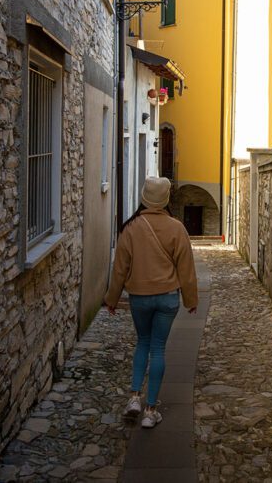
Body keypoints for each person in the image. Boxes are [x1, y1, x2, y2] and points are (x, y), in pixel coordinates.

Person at [104, 176, 198, 428]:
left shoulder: (131, 227)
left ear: (144, 197)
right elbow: (186, 268)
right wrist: (191, 299)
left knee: (143, 343)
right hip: (168, 297)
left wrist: (111, 299)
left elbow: (120, 269)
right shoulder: (177, 228)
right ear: (166, 199)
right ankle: (150, 410)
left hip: (140, 298)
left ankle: (134, 396)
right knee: (158, 349)